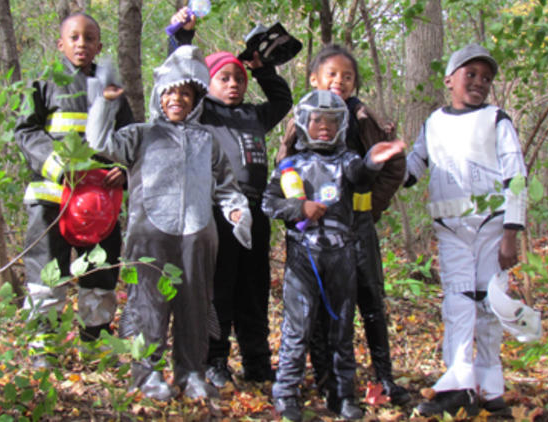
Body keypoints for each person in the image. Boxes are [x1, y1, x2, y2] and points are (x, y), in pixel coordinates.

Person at [85, 45, 253, 401]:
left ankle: (191, 372)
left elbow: (226, 186)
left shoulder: (207, 140)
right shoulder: (140, 135)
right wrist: (106, 102)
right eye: (170, 92)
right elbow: (99, 142)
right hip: (148, 237)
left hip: (198, 238)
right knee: (148, 305)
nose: (177, 99)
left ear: (196, 100)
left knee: (195, 305)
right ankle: (146, 375)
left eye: (186, 93)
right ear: (159, 96)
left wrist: (237, 211)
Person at [276, 44, 409, 405]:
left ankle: (384, 377)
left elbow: (392, 165)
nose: (339, 81)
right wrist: (296, 208)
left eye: (347, 76)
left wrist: (370, 207)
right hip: (312, 229)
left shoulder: (362, 115)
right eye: (331, 74)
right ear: (314, 79)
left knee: (369, 297)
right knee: (317, 305)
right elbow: (284, 163)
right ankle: (325, 378)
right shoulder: (303, 117)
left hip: (357, 226)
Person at [169, 8, 293, 386]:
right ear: (208, 82)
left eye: (238, 78)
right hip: (217, 213)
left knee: (253, 289)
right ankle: (215, 360)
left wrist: (260, 67)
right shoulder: (202, 114)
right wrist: (183, 38)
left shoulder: (254, 115)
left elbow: (283, 100)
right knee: (218, 287)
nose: (234, 84)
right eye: (224, 77)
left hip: (254, 213)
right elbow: (180, 75)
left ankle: (257, 361)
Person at [404, 43, 527, 417]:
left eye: (485, 78)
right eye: (470, 75)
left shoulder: (496, 120)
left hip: (492, 229)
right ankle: (458, 383)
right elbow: (414, 166)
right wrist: (387, 161)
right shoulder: (433, 123)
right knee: (458, 303)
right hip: (451, 231)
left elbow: (516, 177)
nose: (478, 82)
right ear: (449, 80)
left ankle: (491, 390)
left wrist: (511, 232)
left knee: (490, 304)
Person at [15, 12, 133, 367]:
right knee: (46, 270)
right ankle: (43, 346)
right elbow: (25, 132)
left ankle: (95, 341)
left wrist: (122, 170)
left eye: (90, 38)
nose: (82, 44)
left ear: (99, 45)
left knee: (100, 270)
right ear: (61, 43)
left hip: (100, 205)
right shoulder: (42, 83)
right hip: (52, 200)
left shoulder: (111, 86)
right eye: (75, 37)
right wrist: (54, 165)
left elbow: (129, 138)